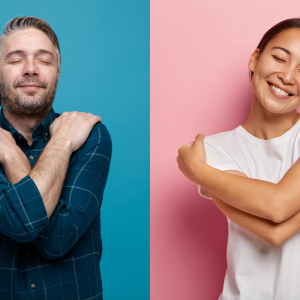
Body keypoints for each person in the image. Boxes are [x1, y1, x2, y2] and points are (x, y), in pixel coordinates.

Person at [177, 18, 300, 300]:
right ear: (255, 59)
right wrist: (205, 171)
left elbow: (275, 208)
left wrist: (199, 172)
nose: (288, 76)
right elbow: (274, 227)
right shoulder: (213, 149)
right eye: (280, 58)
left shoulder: (201, 161)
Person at [0, 17, 112, 300]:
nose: (30, 69)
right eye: (15, 60)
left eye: (44, 60)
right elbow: (22, 222)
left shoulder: (90, 135)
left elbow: (58, 239)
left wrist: (14, 155)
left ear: (58, 72)